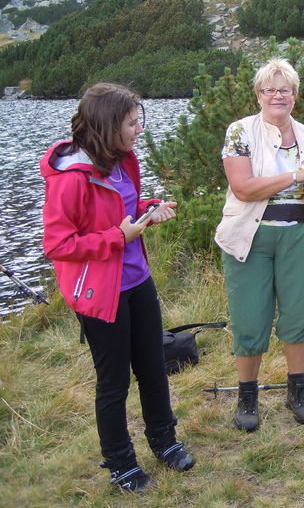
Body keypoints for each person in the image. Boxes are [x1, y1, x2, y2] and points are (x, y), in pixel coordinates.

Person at [40, 83, 195, 493]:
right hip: (99, 292)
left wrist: (147, 211)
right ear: (109, 125)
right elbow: (57, 245)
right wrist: (117, 238)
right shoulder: (71, 178)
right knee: (114, 383)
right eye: (131, 122)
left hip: (137, 279)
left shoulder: (125, 160)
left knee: (153, 368)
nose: (138, 129)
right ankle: (121, 463)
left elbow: (125, 211)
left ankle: (164, 442)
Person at [215, 57, 304, 431]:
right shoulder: (240, 132)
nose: (278, 96)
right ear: (258, 94)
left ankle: (297, 391)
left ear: (295, 95)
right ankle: (248, 397)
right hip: (248, 240)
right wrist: (297, 175)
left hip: (301, 238)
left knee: (297, 316)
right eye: (270, 89)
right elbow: (242, 188)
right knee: (249, 317)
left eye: (285, 89)